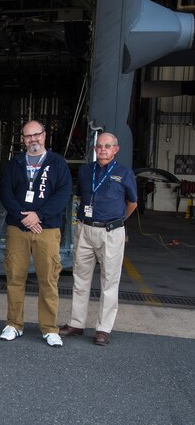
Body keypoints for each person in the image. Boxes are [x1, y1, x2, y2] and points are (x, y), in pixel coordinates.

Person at [59, 133, 137, 346]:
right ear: (95, 149)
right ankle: (76, 323)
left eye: (107, 146)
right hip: (84, 230)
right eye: (99, 146)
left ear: (115, 149)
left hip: (111, 232)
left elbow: (132, 203)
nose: (102, 149)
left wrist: (117, 223)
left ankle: (103, 329)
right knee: (80, 278)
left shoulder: (124, 173)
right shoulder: (86, 171)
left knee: (109, 282)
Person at [0, 120, 72, 347]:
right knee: (15, 277)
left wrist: (37, 215)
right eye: (28, 136)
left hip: (47, 229)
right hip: (18, 228)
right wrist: (24, 218)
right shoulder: (15, 163)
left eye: (36, 135)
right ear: (23, 139)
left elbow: (63, 194)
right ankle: (14, 324)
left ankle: (50, 328)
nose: (33, 139)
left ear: (44, 135)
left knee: (48, 279)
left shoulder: (57, 163)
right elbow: (5, 192)